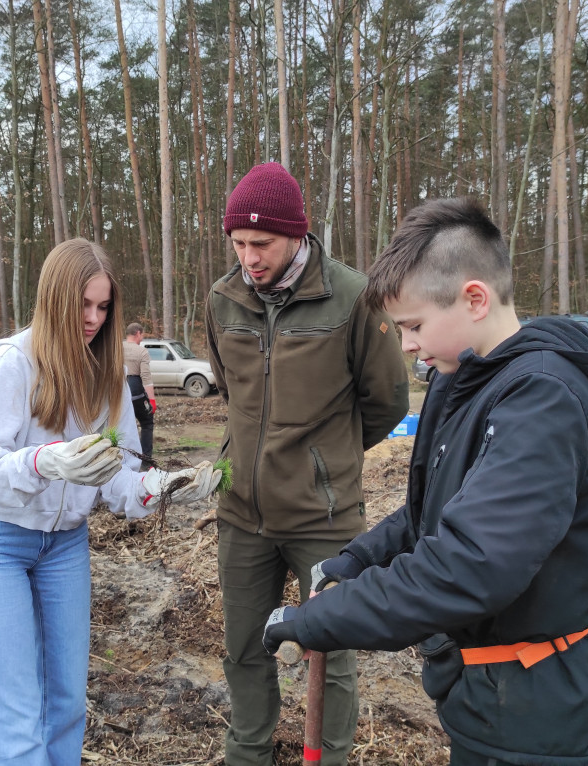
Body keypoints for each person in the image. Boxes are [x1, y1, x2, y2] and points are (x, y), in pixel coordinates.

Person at [261, 198, 588, 766]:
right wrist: (354, 561)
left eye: (414, 326)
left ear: (475, 299)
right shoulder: (463, 381)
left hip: (542, 712)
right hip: (490, 697)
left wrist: (320, 620)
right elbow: (427, 511)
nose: (407, 346)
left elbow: (469, 564)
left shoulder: (540, 402)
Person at [0, 238, 221, 766]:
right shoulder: (14, 363)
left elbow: (120, 481)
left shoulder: (106, 376)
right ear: (55, 296)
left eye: (103, 307)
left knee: (66, 703)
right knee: (14, 710)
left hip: (65, 548)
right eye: (84, 304)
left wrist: (166, 485)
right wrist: (45, 462)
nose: (94, 319)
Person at [205, 162, 409, 766]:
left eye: (261, 244)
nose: (249, 257)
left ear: (298, 233)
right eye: (239, 244)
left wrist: (327, 463)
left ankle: (333, 756)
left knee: (333, 651)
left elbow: (387, 401)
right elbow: (232, 390)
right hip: (242, 513)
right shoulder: (223, 299)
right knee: (244, 647)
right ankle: (249, 753)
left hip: (324, 518)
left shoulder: (353, 298)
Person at [123, 322, 156, 469]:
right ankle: (146, 461)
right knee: (147, 423)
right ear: (137, 333)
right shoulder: (141, 351)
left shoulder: (117, 348)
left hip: (119, 393)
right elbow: (146, 377)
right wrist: (152, 401)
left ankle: (122, 459)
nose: (142, 338)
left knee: (122, 426)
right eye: (142, 335)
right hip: (136, 394)